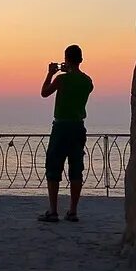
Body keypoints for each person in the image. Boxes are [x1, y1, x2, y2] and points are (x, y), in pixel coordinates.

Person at [38, 44, 94, 223]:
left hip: (61, 127)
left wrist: (50, 73)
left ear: (66, 59)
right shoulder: (88, 82)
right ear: (81, 60)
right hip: (78, 127)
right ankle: (73, 211)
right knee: (76, 168)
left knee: (53, 166)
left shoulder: (61, 79)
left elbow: (44, 93)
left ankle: (53, 211)